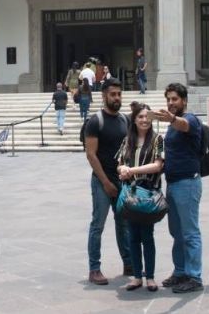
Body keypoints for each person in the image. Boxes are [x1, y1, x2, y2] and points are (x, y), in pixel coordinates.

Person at [155, 82, 204, 294]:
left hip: (188, 183)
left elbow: (184, 125)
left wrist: (172, 118)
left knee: (190, 232)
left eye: (175, 99)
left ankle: (194, 276)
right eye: (168, 99)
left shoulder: (190, 119)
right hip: (173, 183)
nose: (171, 102)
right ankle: (180, 270)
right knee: (176, 231)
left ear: (184, 100)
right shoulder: (171, 126)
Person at [84, 77, 131, 285]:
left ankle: (128, 263)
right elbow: (91, 155)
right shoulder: (95, 121)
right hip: (102, 182)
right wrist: (105, 182)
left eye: (119, 94)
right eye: (113, 94)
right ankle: (94, 269)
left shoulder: (124, 120)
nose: (117, 98)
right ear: (104, 96)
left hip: (121, 181)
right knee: (98, 225)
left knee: (124, 224)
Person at [115, 104, 165, 292]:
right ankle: (137, 276)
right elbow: (119, 164)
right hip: (130, 193)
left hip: (148, 192)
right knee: (133, 236)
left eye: (147, 117)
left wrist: (131, 170)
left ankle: (150, 277)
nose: (144, 120)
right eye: (140, 117)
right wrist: (123, 170)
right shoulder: (127, 140)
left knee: (147, 235)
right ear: (134, 120)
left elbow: (158, 165)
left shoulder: (158, 140)